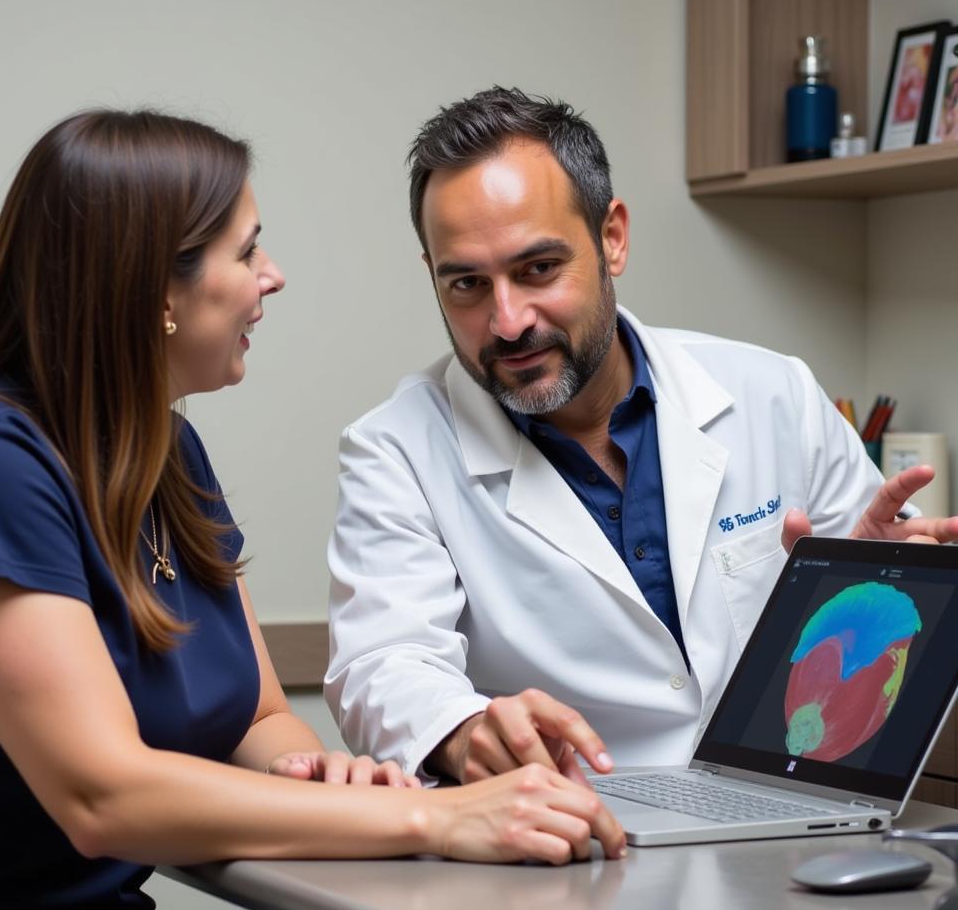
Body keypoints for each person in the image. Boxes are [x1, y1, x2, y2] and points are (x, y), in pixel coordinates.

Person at [0, 110, 627, 910]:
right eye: (246, 252)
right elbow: (103, 800)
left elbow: (260, 720)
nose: (273, 277)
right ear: (156, 290)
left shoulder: (168, 456)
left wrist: (324, 773)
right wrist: (439, 817)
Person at [326, 86, 958, 787]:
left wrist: (870, 579)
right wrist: (465, 730)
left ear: (612, 238)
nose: (507, 320)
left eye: (538, 269)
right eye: (468, 285)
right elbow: (383, 664)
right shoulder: (397, 449)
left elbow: (872, 658)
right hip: (567, 842)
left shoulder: (770, 393)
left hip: (791, 816)